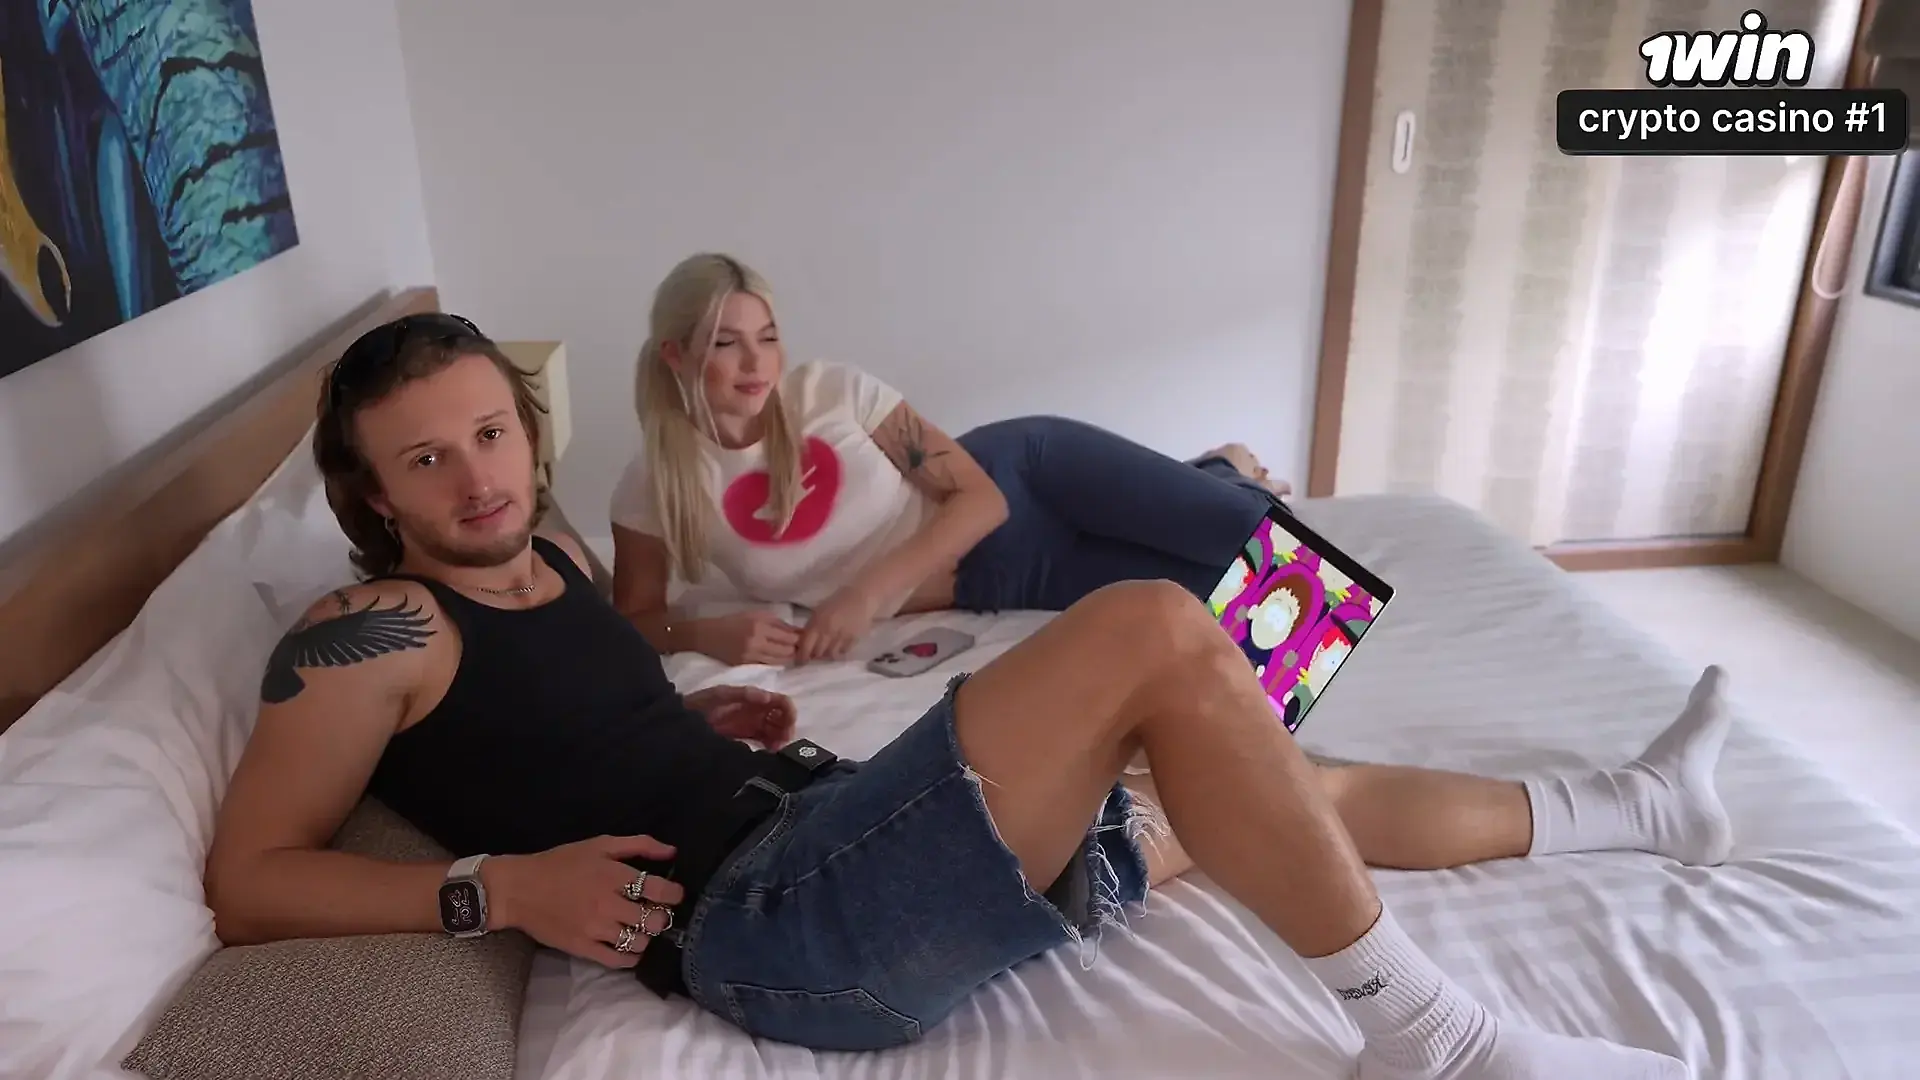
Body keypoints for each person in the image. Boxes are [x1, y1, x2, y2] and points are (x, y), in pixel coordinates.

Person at [203, 312, 1727, 1078]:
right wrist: (501, 891)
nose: (476, 477)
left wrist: (696, 721)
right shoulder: (370, 631)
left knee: (1253, 784)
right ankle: (1440, 1041)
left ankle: (1636, 804)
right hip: (774, 926)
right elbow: (251, 878)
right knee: (1149, 631)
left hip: (827, 832)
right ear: (372, 493)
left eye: (489, 434)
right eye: (426, 459)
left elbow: (574, 731)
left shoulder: (549, 557)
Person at [609, 252, 1296, 667]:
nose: (757, 362)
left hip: (1028, 477)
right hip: (1002, 577)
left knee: (1272, 549)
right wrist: (703, 634)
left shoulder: (831, 392)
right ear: (676, 354)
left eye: (767, 336)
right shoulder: (653, 486)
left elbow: (982, 498)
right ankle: (1214, 472)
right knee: (1222, 602)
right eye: (725, 343)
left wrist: (864, 597)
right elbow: (632, 621)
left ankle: (1225, 478)